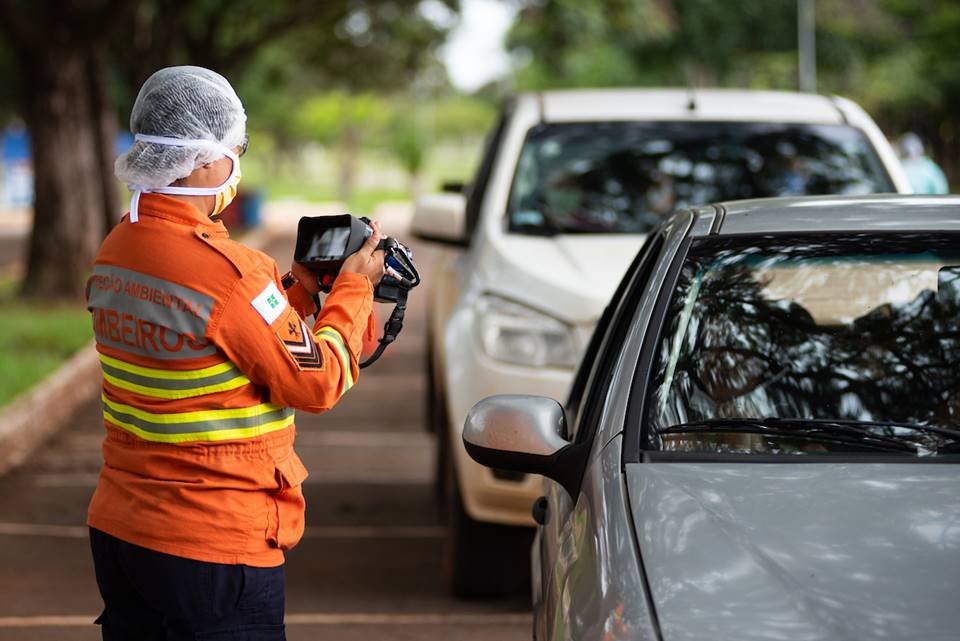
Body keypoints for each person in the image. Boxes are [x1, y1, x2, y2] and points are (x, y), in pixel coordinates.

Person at [85, 66, 384, 640]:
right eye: (234, 150)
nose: (237, 166)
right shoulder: (231, 274)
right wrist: (353, 288)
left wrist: (295, 291)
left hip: (124, 532)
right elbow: (317, 381)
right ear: (200, 162)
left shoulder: (119, 247)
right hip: (213, 547)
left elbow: (212, 336)